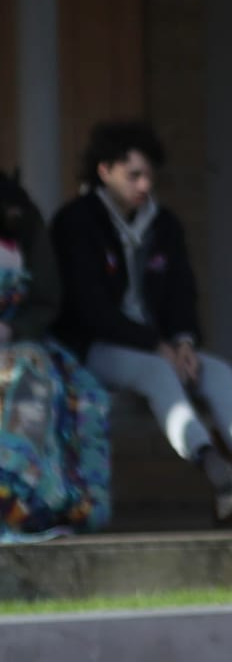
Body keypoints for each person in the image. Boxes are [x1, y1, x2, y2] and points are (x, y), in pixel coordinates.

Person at [49, 120, 232, 527]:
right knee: (157, 371)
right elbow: (90, 310)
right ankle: (219, 475)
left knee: (217, 371)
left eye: (149, 174)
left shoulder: (163, 223)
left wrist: (184, 341)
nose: (144, 184)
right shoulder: (76, 222)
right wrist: (158, 346)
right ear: (105, 171)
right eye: (133, 174)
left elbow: (181, 294)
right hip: (95, 349)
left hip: (160, 347)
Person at [0, 169, 110, 539]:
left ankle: (24, 497)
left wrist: (13, 329)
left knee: (63, 388)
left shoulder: (18, 210)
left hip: (17, 338)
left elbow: (46, 296)